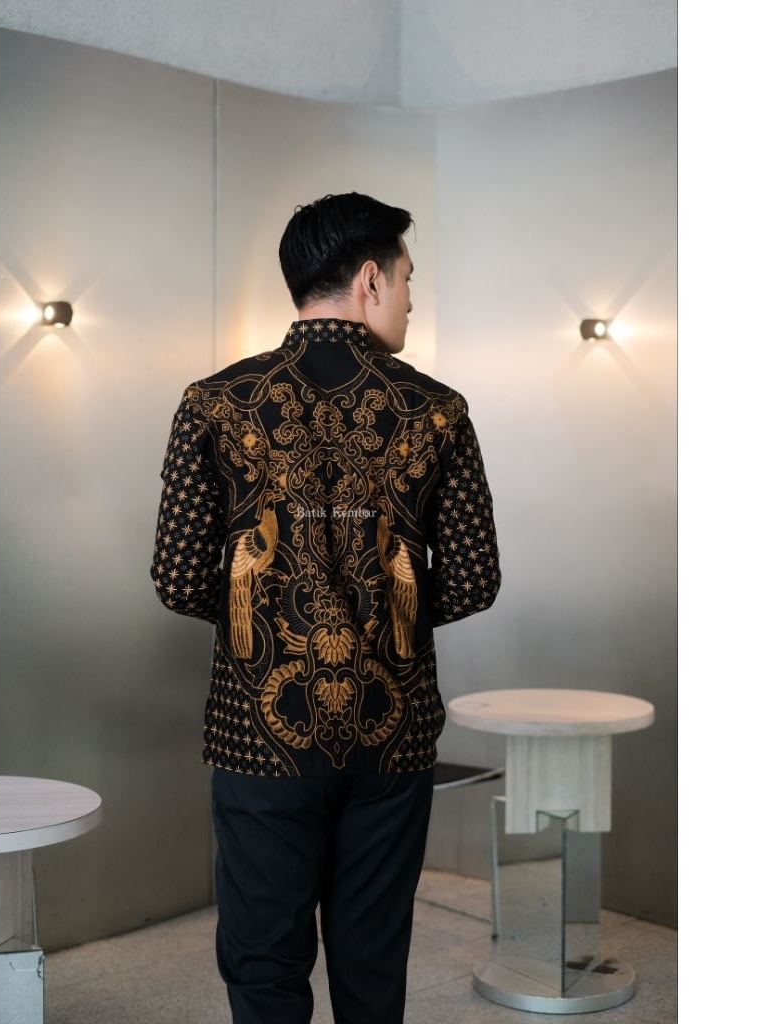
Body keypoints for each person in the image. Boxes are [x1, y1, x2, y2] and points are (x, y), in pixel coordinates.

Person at [151, 192, 501, 1024]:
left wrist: (266, 624)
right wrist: (388, 618)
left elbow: (177, 577)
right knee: (372, 965)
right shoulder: (437, 410)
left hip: (259, 733)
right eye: (409, 280)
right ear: (370, 279)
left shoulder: (216, 403)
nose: (412, 300)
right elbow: (474, 577)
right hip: (392, 730)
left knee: (264, 964)